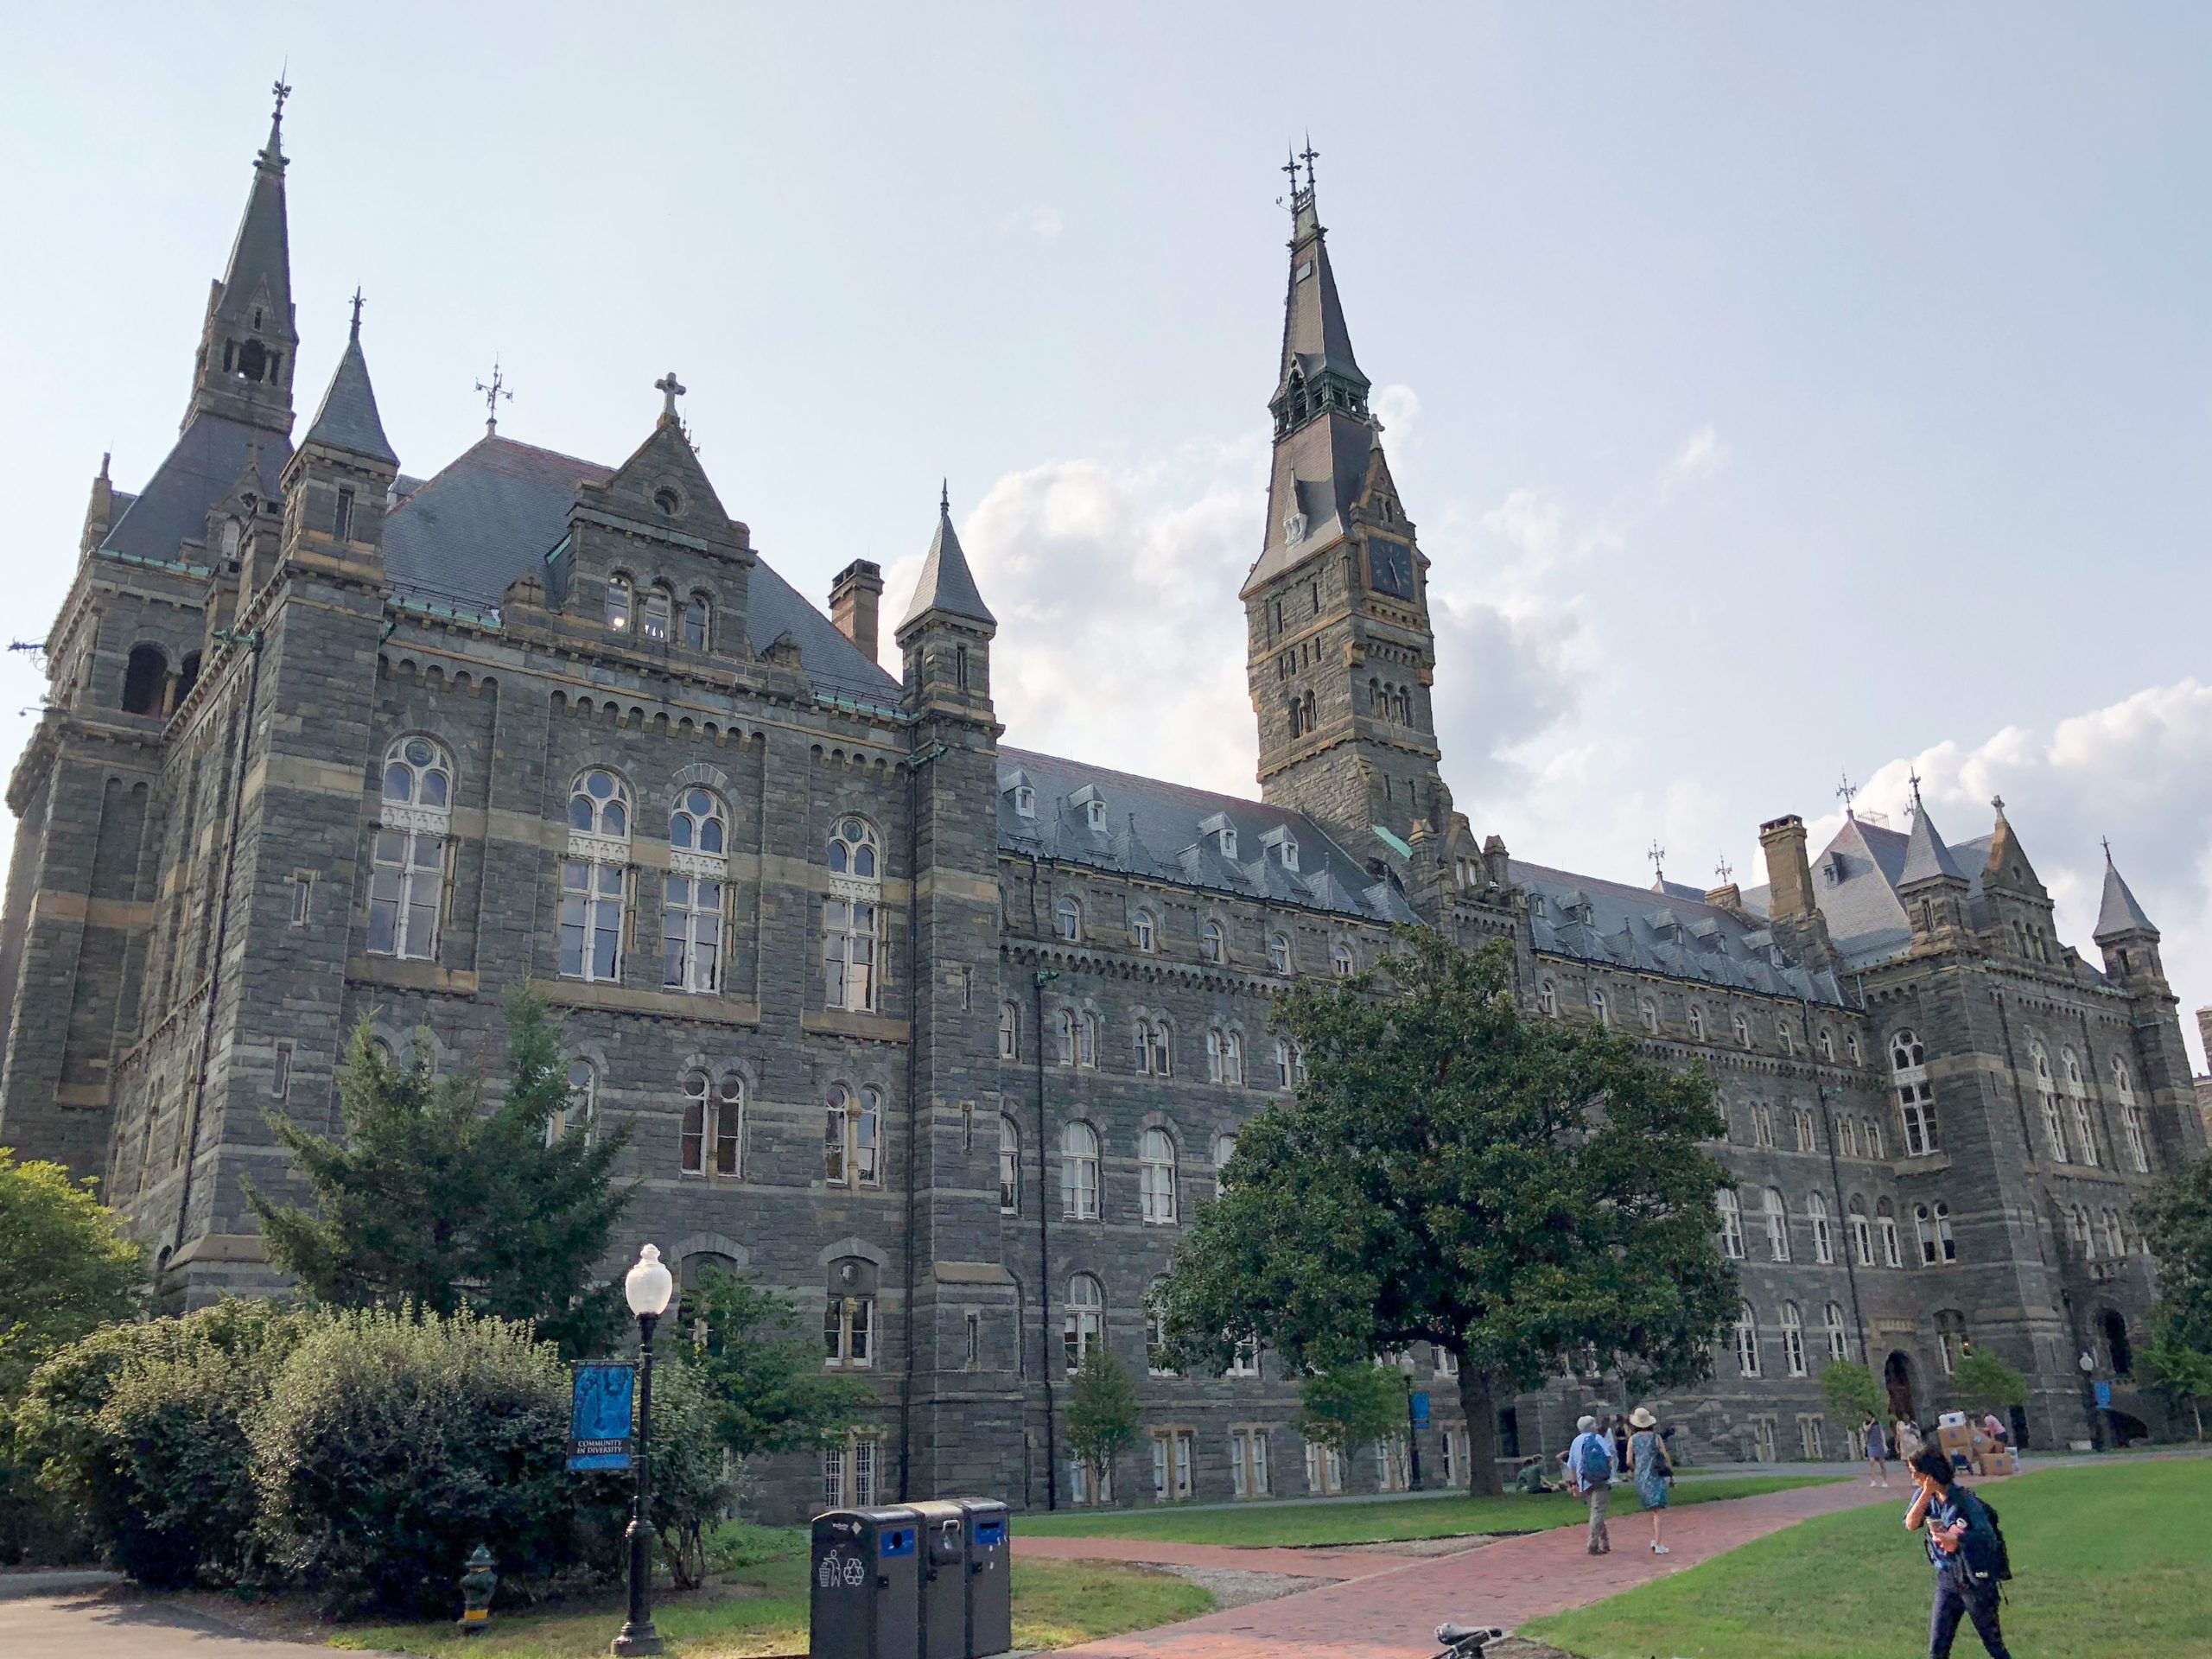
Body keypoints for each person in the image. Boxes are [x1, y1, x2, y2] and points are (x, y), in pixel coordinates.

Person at [1904, 1448, 2012, 1658]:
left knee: (1994, 1647)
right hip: (1947, 1579)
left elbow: (1986, 1536)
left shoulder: (1964, 1500)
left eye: (1915, 1472)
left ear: (1929, 1473)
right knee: (1937, 1650)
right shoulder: (1925, 1497)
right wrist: (1927, 1492)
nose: (1913, 1477)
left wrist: (1958, 1539)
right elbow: (1910, 1524)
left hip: (1974, 1580)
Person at [1565, 1414, 1615, 1554]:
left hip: (1584, 1480)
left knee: (1596, 1511)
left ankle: (1605, 1543)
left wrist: (1574, 1483)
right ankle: (1593, 1543)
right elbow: (1609, 1458)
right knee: (1597, 1511)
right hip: (1599, 1479)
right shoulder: (1597, 1438)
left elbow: (1572, 1465)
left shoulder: (1575, 1442)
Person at [1625, 1406, 1672, 1554]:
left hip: (1641, 1477)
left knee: (1651, 1509)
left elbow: (1628, 1461)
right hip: (1656, 1476)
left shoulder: (1633, 1439)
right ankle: (1659, 1543)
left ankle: (1656, 1538)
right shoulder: (1656, 1438)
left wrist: (1635, 1470)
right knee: (1658, 1511)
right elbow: (1665, 1456)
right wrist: (1670, 1471)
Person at [1863, 1414, 1891, 1486]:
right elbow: (1866, 1429)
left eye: (1869, 1416)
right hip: (1871, 1445)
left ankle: (1885, 1481)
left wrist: (1884, 1444)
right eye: (1866, 1416)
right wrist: (1871, 1423)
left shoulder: (1878, 1423)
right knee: (1872, 1462)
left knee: (1882, 1463)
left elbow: (1882, 1433)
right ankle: (1873, 1480)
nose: (1867, 1417)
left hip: (1879, 1444)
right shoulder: (1865, 1423)